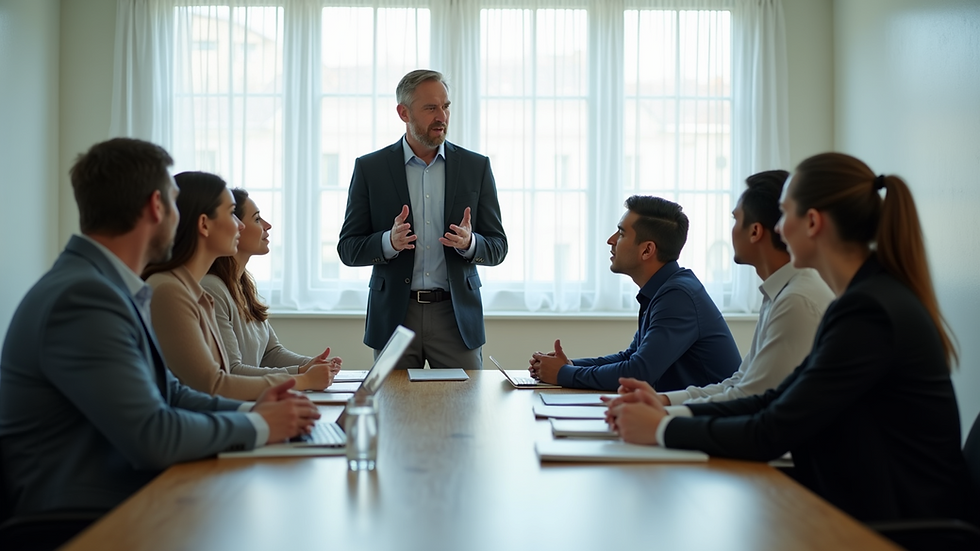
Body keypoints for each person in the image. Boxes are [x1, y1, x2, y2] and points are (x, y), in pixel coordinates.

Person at [606, 153, 973, 523]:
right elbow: (774, 399)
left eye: (784, 215)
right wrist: (667, 413)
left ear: (812, 222)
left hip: (902, 527)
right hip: (871, 506)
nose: (777, 229)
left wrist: (664, 426)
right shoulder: (862, 300)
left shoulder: (868, 311)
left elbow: (772, 429)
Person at [0, 138, 319, 521]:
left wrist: (253, 408)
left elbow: (171, 392)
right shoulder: (84, 296)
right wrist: (257, 424)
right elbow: (153, 436)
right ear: (156, 206)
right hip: (79, 522)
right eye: (174, 199)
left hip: (120, 501)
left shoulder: (105, 285)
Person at [337, 69, 507, 370]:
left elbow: (497, 246)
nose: (441, 116)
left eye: (446, 106)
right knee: (392, 412)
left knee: (464, 413)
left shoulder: (475, 167)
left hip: (456, 318)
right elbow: (348, 248)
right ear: (404, 112)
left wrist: (470, 244)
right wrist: (388, 242)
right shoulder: (370, 169)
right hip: (394, 318)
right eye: (430, 108)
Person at [143, 172, 336, 400]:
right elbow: (215, 385)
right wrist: (301, 379)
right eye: (231, 214)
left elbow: (216, 383)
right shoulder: (179, 289)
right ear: (204, 224)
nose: (240, 226)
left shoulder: (198, 288)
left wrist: (306, 369)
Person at [656, 170, 834, 405]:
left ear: (755, 231)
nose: (732, 229)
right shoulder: (779, 292)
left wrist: (662, 417)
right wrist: (663, 401)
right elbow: (740, 382)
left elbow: (751, 399)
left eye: (736, 220)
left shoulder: (796, 300)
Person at [529, 196, 741, 392]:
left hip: (710, 423)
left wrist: (563, 374)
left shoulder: (678, 296)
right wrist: (569, 366)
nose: (610, 240)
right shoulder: (665, 288)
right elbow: (631, 357)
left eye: (621, 233)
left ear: (647, 250)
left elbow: (638, 373)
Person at [202, 189, 342, 377]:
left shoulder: (244, 285)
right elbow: (231, 370)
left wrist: (312, 364)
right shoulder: (212, 288)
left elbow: (271, 353)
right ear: (236, 226)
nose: (267, 226)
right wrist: (301, 373)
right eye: (257, 219)